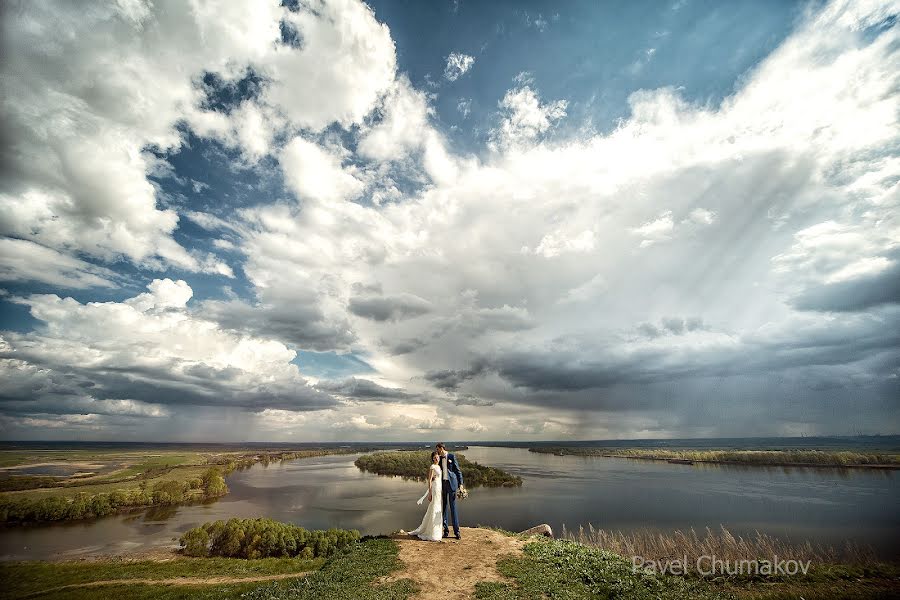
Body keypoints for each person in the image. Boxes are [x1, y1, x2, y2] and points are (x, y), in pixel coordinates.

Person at [408, 451, 443, 541]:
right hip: (435, 489)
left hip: (439, 489)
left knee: (437, 508)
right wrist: (430, 493)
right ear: (432, 459)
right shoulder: (432, 467)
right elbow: (430, 480)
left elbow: (438, 478)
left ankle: (437, 531)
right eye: (435, 458)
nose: (437, 459)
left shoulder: (439, 466)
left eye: (438, 457)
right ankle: (432, 532)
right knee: (434, 507)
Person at [436, 442, 463, 539]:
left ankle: (457, 532)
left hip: (452, 485)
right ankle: (445, 530)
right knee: (444, 508)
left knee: (453, 508)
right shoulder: (439, 458)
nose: (437, 451)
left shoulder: (451, 456)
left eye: (438, 449)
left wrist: (461, 485)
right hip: (443, 485)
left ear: (442, 448)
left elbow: (458, 471)